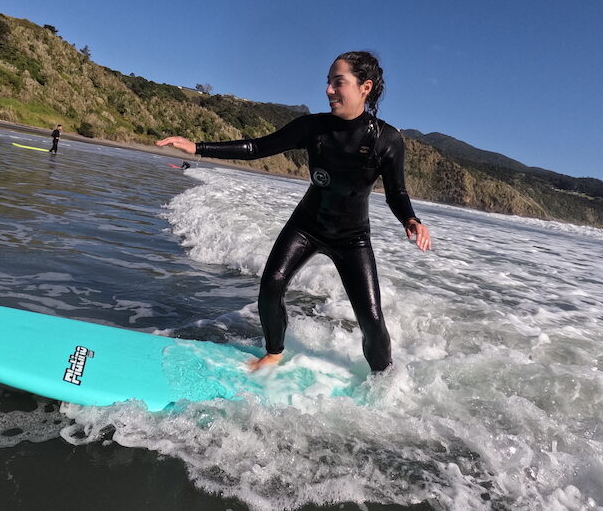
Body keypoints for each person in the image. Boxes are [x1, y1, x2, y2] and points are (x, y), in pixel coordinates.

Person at [157, 51, 432, 373]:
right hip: (306, 226)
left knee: (371, 319)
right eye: (328, 82)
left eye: (338, 82)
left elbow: (396, 192)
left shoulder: (387, 140)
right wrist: (199, 148)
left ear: (365, 87)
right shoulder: (313, 127)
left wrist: (411, 219)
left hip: (351, 237)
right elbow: (257, 147)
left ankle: (383, 378)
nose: (329, 90)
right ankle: (274, 352)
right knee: (271, 286)